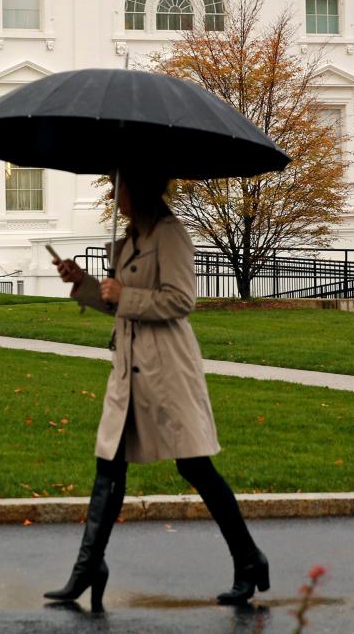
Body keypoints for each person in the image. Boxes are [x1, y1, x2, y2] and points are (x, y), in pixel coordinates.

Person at [46, 169, 268, 611]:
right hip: (128, 369)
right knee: (108, 466)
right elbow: (116, 301)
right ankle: (89, 567)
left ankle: (249, 560)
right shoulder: (130, 239)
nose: (115, 196)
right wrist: (82, 283)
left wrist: (124, 294)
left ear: (139, 189)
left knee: (195, 467)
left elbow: (181, 299)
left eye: (119, 187)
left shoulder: (170, 235)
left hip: (166, 369)